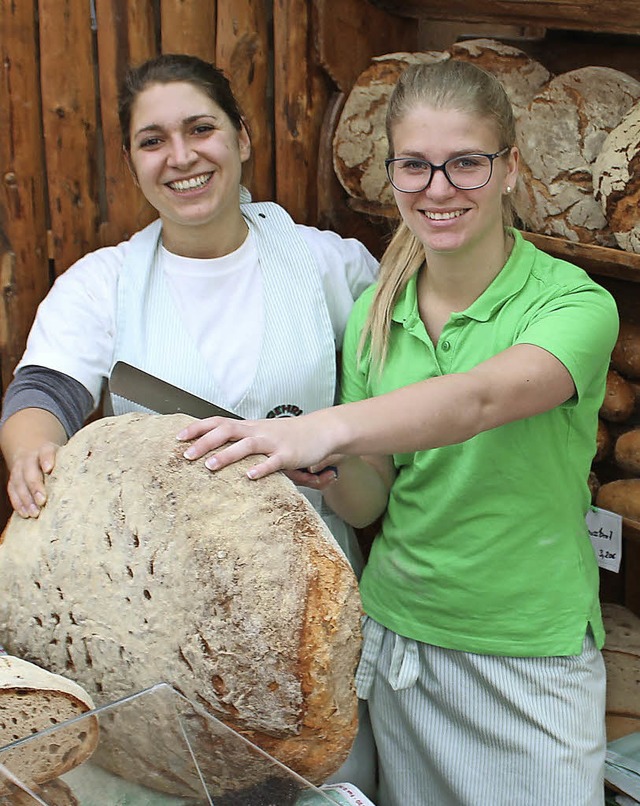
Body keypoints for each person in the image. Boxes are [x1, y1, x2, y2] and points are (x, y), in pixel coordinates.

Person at [177, 59, 620, 806]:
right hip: (402, 643)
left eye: (466, 164)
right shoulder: (379, 321)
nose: (439, 189)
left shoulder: (573, 306)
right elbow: (369, 502)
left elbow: (477, 400)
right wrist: (331, 467)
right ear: (393, 174)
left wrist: (323, 428)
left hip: (529, 653)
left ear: (510, 168)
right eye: (415, 166)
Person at [0, 53, 379, 797]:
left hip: (318, 620)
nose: (181, 157)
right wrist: (33, 453)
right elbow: (43, 390)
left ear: (242, 137)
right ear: (133, 160)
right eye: (153, 140)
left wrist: (335, 453)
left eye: (201, 128)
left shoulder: (332, 267)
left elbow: (385, 411)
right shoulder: (103, 283)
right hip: (162, 636)